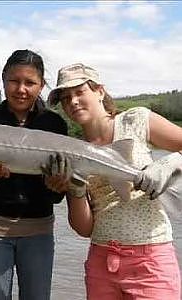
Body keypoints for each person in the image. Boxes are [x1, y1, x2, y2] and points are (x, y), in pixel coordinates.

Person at [45, 62, 182, 299]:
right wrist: (75, 189)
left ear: (99, 91)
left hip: (150, 261)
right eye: (66, 98)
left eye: (79, 92)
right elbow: (84, 228)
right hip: (101, 262)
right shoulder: (71, 151)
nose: (73, 101)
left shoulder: (135, 120)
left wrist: (172, 163)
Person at [0, 49, 68, 300]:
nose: (21, 89)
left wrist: (57, 187)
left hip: (39, 231)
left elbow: (56, 198)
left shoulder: (54, 125)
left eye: (30, 83)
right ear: (3, 80)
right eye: (14, 81)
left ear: (41, 85)